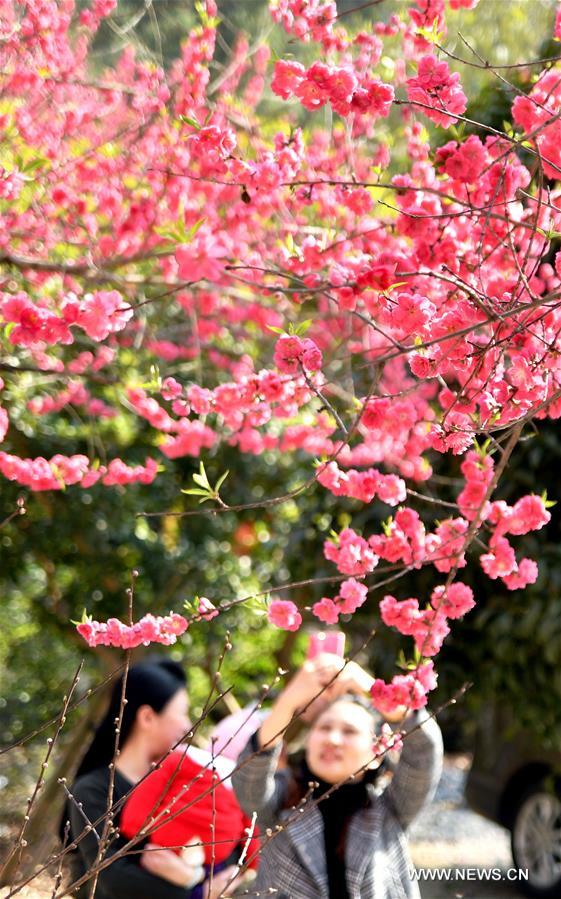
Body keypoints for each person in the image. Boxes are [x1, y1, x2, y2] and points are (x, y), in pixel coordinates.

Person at [232, 653, 443, 899]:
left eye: (349, 731)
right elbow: (250, 776)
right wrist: (289, 701)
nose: (332, 739)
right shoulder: (280, 804)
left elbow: (424, 752)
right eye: (324, 728)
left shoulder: (391, 808)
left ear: (377, 754)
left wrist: (374, 689)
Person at [64, 658, 240, 899]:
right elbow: (112, 879)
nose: (189, 726)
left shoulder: (185, 782)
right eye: (182, 713)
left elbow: (223, 844)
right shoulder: (93, 790)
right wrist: (198, 889)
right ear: (147, 717)